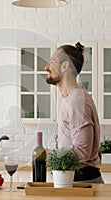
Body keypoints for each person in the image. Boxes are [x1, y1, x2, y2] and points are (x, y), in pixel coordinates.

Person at [44, 42, 104, 183]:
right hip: (74, 180)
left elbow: (83, 152)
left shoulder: (77, 101)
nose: (46, 67)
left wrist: (51, 155)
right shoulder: (70, 98)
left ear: (65, 66)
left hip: (82, 181)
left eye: (52, 62)